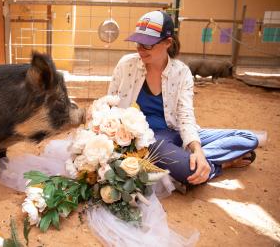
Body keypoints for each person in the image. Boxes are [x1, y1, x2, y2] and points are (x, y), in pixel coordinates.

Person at [108, 10, 258, 191]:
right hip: (151, 140)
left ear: (167, 42)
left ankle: (197, 160)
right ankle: (221, 163)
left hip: (178, 131)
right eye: (138, 42)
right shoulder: (126, 65)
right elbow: (111, 105)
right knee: (186, 168)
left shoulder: (182, 72)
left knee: (249, 138)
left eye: (147, 44)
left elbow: (185, 116)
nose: (140, 49)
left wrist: (197, 150)